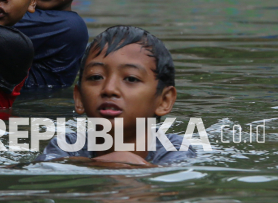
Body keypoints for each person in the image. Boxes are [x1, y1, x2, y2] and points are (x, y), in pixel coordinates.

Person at [36, 25, 196, 166]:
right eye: (96, 77)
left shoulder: (174, 149)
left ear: (164, 101)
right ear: (79, 98)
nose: (109, 89)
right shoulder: (67, 145)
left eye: (131, 79)